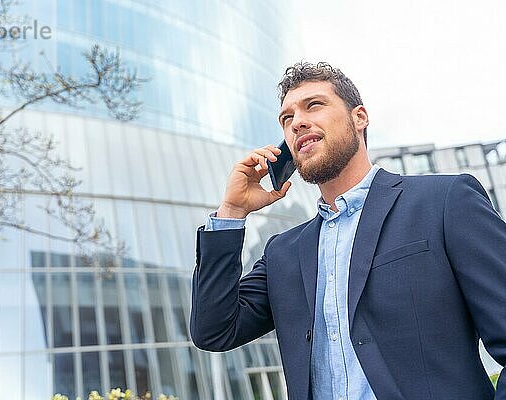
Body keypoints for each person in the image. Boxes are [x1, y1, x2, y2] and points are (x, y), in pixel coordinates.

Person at [190, 61, 506, 400]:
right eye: (286, 119)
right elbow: (214, 331)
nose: (297, 122)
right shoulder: (283, 252)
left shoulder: (444, 202)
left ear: (359, 118)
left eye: (314, 105)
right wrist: (232, 213)